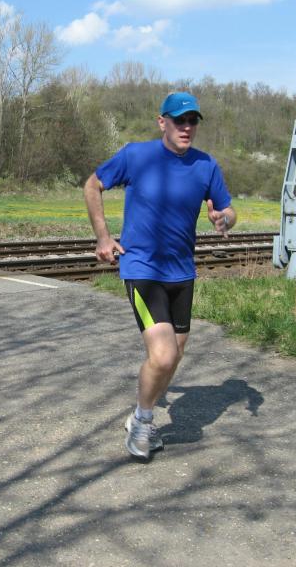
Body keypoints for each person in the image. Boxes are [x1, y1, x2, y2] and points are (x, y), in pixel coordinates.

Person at [83, 91, 236, 460]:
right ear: (162, 122)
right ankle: (143, 421)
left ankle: (141, 412)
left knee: (175, 354)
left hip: (181, 271)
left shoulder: (206, 165)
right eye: (179, 120)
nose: (186, 127)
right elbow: (92, 185)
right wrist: (103, 237)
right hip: (142, 267)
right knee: (164, 355)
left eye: (192, 121)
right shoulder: (137, 155)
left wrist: (224, 220)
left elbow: (229, 209)